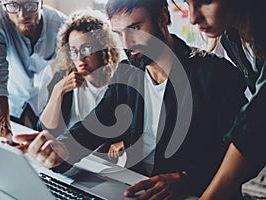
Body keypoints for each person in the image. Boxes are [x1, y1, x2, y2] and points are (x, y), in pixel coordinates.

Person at [13, 0, 247, 199]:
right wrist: (60, 148)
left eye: (135, 27)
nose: (127, 44)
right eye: (119, 33)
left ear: (163, 17)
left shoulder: (216, 75)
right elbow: (92, 129)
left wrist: (189, 179)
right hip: (132, 189)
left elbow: (241, 154)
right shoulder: (126, 73)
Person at [174, 0, 266, 199]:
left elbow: (258, 116)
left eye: (204, 2)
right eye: (187, 3)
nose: (192, 18)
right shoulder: (231, 36)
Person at [0, 0, 66, 141]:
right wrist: (4, 134)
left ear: (41, 2)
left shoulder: (61, 24)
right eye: (13, 5)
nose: (22, 14)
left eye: (29, 5)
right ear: (2, 2)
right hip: (9, 101)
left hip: (43, 100)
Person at [39, 9, 120, 141]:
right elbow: (45, 130)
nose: (79, 58)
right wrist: (58, 91)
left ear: (102, 48)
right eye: (73, 51)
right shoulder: (62, 77)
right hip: (67, 150)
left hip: (103, 159)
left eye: (86, 49)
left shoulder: (118, 81)